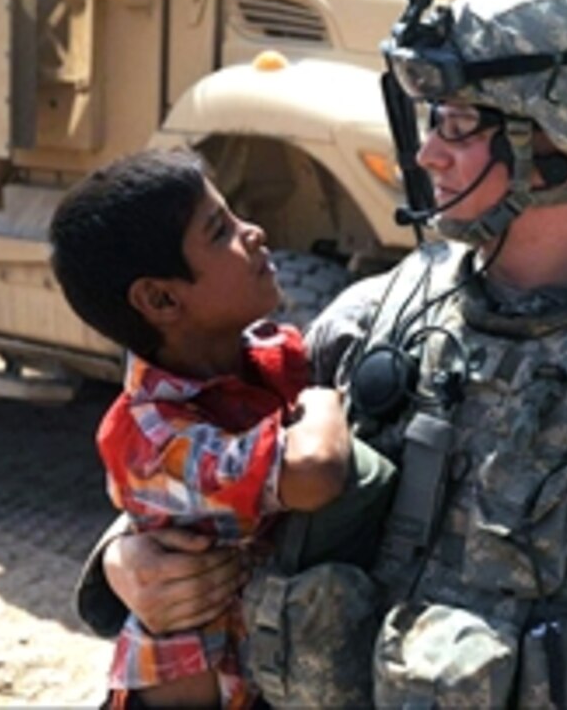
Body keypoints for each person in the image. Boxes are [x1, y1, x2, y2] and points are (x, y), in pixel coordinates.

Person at [75, 0, 567, 707]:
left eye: (460, 125)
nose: (430, 153)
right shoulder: (375, 320)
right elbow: (195, 460)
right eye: (431, 118)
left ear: (566, 147)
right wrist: (124, 563)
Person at [50, 149, 394, 709]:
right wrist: (320, 399)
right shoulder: (149, 437)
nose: (254, 233)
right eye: (221, 231)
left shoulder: (263, 356)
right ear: (160, 299)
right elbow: (312, 472)